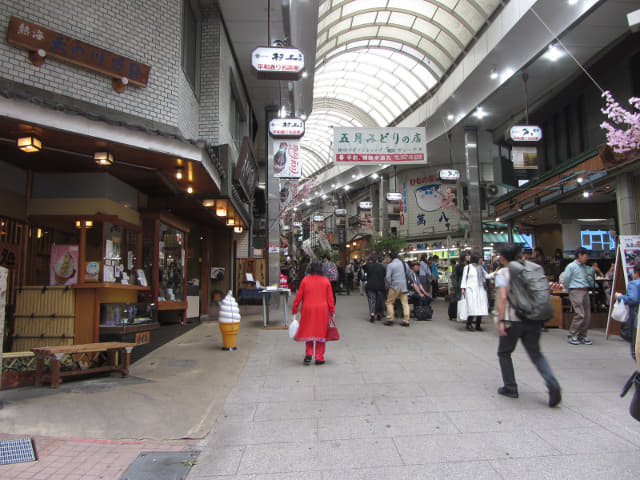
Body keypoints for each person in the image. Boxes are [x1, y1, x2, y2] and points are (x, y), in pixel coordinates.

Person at [495, 244, 562, 406]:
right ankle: (552, 382)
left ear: (503, 257)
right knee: (536, 354)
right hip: (533, 317)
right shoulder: (532, 269)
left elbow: (503, 298)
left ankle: (510, 387)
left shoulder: (503, 273)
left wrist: (501, 321)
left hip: (514, 319)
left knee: (504, 352)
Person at [292, 260, 335, 365]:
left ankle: (309, 354)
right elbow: (330, 298)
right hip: (322, 310)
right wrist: (332, 311)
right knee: (321, 332)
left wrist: (294, 309)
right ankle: (319, 357)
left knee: (309, 331)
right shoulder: (326, 281)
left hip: (307, 309)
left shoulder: (305, 280)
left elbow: (298, 296)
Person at [562, 247, 593, 345]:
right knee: (580, 314)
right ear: (580, 255)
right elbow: (566, 279)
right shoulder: (571, 266)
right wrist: (568, 290)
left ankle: (582, 335)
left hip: (585, 290)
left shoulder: (584, 267)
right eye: (585, 255)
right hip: (575, 290)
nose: (587, 258)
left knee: (587, 315)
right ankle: (572, 334)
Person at [615, 263, 640, 360]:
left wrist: (620, 297)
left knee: (636, 347)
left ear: (636, 273)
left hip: (636, 317)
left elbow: (633, 299)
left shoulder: (634, 284)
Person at [460, 251, 489, 331]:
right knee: (472, 307)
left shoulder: (481, 267)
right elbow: (464, 279)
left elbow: (486, 276)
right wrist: (463, 289)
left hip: (480, 289)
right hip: (471, 290)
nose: (481, 260)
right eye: (480, 258)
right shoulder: (468, 267)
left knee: (480, 306)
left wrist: (496, 273)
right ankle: (469, 324)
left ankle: (478, 324)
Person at [384, 251, 410, 327]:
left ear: (391, 258)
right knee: (405, 303)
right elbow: (408, 273)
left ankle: (390, 318)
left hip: (394, 285)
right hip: (404, 286)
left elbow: (388, 277)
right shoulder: (404, 264)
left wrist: (389, 285)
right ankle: (406, 320)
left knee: (389, 302)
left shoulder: (390, 265)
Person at [365, 255, 386, 322]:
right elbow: (384, 275)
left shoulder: (368, 266)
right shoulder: (382, 267)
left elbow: (365, 270)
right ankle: (379, 314)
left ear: (370, 260)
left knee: (371, 299)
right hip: (380, 285)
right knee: (380, 300)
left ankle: (372, 314)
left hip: (370, 285)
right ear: (377, 260)